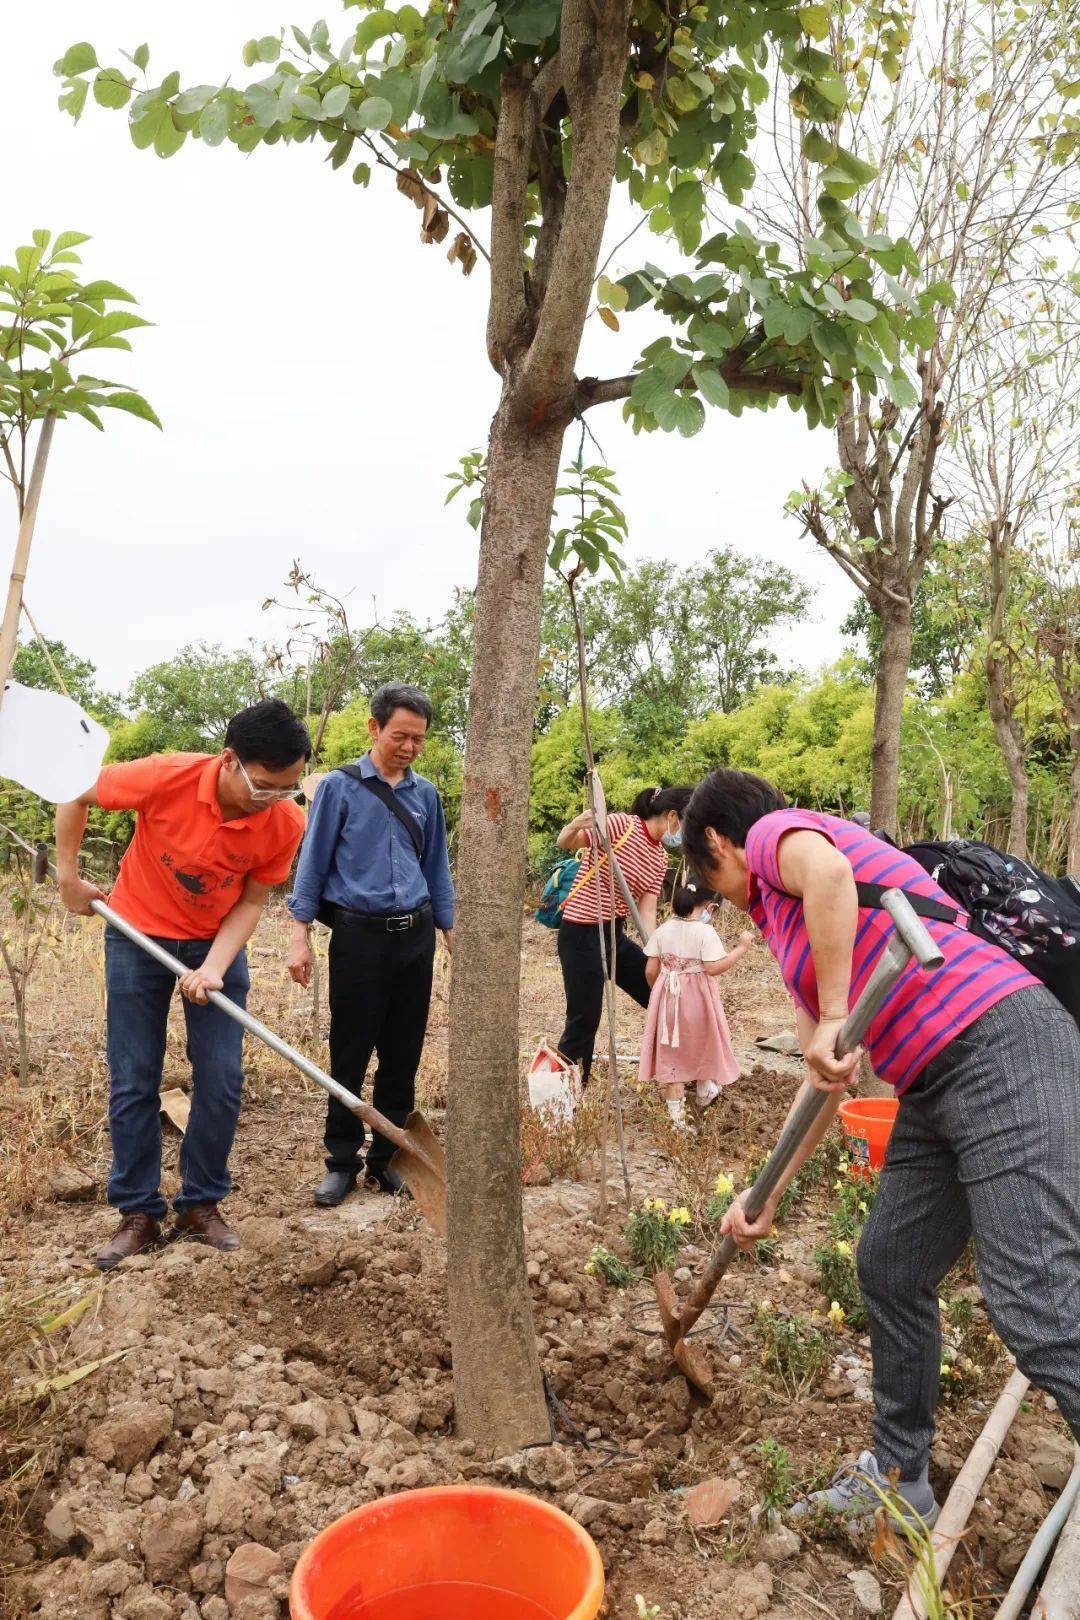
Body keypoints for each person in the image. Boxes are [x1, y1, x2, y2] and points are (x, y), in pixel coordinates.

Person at [682, 768, 1079, 1527]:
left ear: (715, 842)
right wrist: (766, 1194)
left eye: (706, 874)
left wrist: (836, 1013)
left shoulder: (775, 837)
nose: (718, 893)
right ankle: (900, 1480)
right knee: (892, 1266)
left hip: (1000, 1046)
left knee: (1038, 1303)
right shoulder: (785, 923)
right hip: (932, 1084)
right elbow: (822, 1082)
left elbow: (831, 875)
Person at [56, 699, 310, 1269]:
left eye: (287, 788)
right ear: (228, 760)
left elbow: (252, 901)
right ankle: (138, 1212)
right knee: (134, 1077)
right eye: (264, 785)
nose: (273, 798)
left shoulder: (285, 821)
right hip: (137, 934)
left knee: (221, 1077)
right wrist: (68, 879)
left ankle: (200, 1203)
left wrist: (215, 965)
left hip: (215, 940)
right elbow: (73, 789)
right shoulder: (165, 776)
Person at [286, 683, 454, 1206]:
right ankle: (341, 1162)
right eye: (400, 736)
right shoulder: (339, 788)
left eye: (418, 739)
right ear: (374, 728)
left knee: (403, 1052)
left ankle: (388, 1159)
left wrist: (450, 929)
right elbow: (312, 864)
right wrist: (299, 936)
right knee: (351, 1051)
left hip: (415, 936)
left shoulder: (426, 796)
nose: (409, 747)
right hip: (359, 936)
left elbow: (437, 868)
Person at [554, 785, 693, 1083]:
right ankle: (566, 1093)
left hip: (612, 934)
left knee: (659, 992)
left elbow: (646, 912)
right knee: (584, 1018)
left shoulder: (660, 858)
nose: (686, 833)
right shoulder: (621, 825)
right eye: (687, 822)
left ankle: (679, 1072)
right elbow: (565, 841)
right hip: (580, 933)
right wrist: (576, 824)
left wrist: (657, 955)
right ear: (672, 816)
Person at [639, 883, 751, 1127]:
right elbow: (713, 967)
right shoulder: (705, 932)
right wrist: (741, 948)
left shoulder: (663, 929)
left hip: (669, 997)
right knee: (703, 1041)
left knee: (672, 1050)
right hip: (698, 999)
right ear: (710, 907)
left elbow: (650, 970)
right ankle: (704, 1091)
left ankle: (677, 1122)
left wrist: (660, 991)